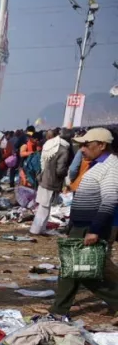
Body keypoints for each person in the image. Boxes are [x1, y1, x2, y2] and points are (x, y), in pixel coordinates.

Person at [50, 128, 118, 317]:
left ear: (102, 145)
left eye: (86, 145)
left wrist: (94, 230)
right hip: (82, 225)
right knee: (72, 270)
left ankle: (58, 310)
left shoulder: (111, 167)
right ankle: (58, 310)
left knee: (83, 272)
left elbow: (110, 200)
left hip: (90, 226)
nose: (81, 150)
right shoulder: (97, 164)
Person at [30, 128, 70, 236]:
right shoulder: (63, 150)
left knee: (43, 206)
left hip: (44, 178)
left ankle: (40, 229)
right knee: (44, 208)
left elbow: (42, 162)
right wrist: (67, 173)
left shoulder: (50, 145)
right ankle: (36, 229)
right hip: (52, 181)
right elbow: (60, 170)